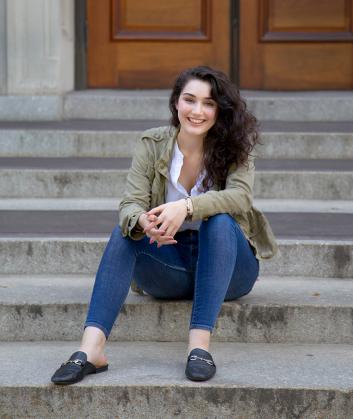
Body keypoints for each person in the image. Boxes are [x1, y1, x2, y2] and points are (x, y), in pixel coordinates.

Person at [51, 66, 277, 385]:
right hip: (170, 265)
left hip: (231, 269)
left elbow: (240, 197)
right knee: (126, 231)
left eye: (209, 103)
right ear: (175, 103)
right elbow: (129, 204)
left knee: (221, 222)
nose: (197, 111)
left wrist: (186, 206)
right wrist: (143, 220)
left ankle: (199, 348)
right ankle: (91, 351)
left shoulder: (235, 145)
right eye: (190, 100)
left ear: (220, 110)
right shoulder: (152, 143)